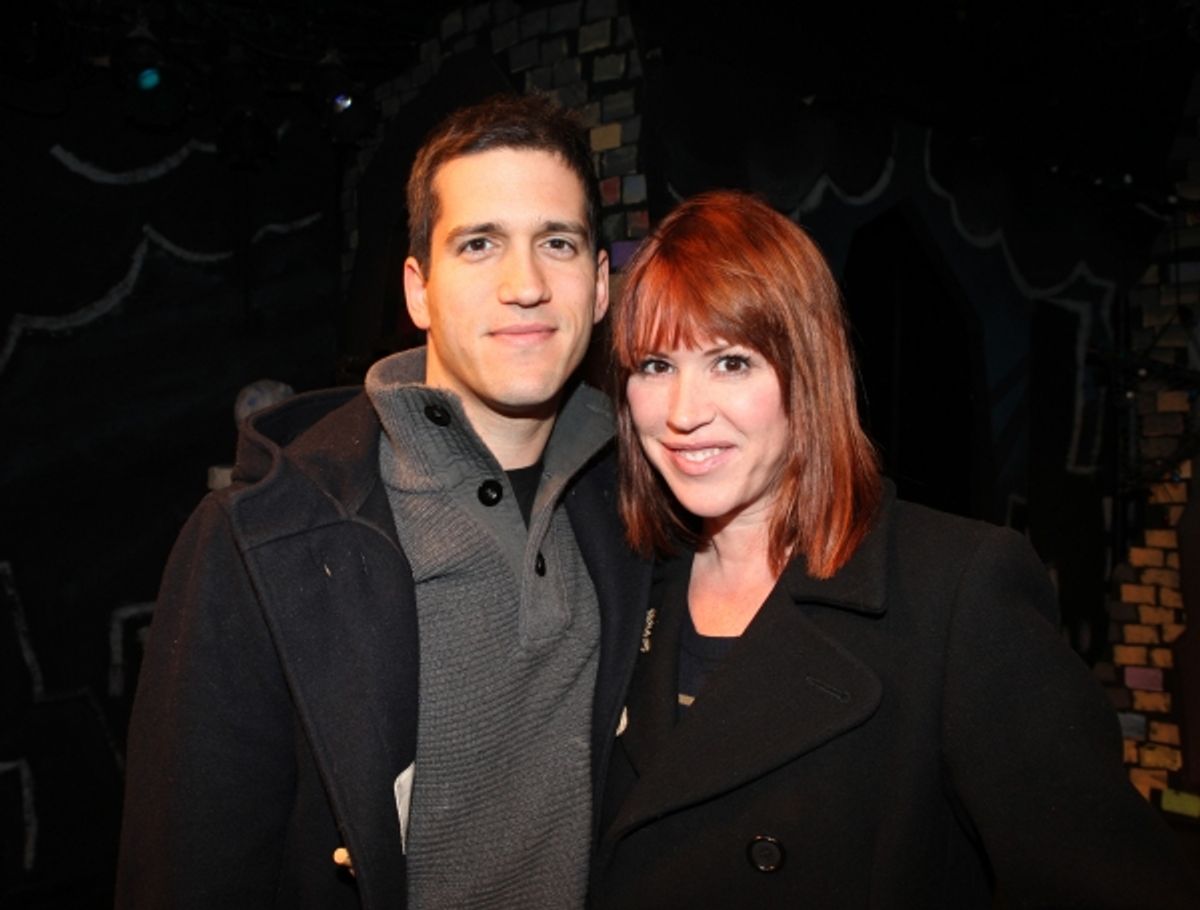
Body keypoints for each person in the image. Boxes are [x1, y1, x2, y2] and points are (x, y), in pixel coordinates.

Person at [591, 189, 1200, 908]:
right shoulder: (621, 585)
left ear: (809, 371)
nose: (685, 412)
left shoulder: (955, 592)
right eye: (656, 366)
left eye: (731, 362)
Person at [115, 93, 650, 909]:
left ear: (600, 282)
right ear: (419, 290)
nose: (526, 284)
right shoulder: (258, 542)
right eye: (479, 244)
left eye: (557, 243)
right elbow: (188, 874)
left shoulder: (639, 506)